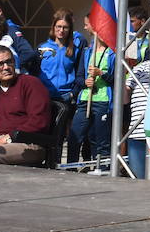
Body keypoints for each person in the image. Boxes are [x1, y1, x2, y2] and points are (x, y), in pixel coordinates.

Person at [68, 14, 116, 171]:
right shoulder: (88, 51)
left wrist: (101, 74)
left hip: (103, 101)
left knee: (100, 139)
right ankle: (71, 167)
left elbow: (117, 79)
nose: (85, 28)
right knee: (75, 135)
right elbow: (79, 77)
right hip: (85, 99)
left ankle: (102, 168)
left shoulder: (113, 53)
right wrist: (85, 82)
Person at [37, 10, 83, 103]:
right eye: (59, 26)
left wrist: (73, 93)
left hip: (66, 98)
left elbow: (80, 75)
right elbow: (34, 72)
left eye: (65, 27)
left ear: (70, 29)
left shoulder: (75, 50)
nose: (61, 30)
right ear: (53, 27)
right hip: (44, 96)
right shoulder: (42, 48)